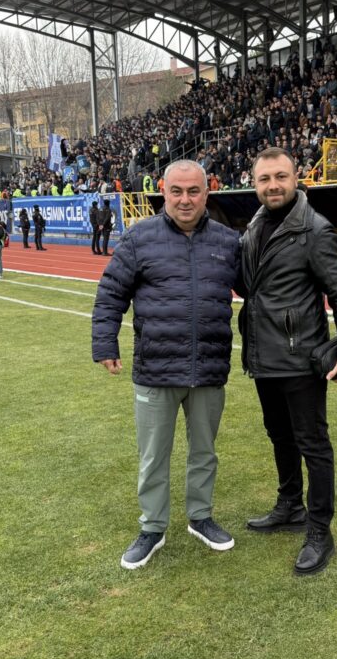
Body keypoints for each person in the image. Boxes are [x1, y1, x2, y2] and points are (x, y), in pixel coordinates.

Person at [92, 160, 240, 570]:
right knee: (153, 456)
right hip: (156, 370)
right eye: (176, 191)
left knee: (204, 452)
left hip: (208, 368)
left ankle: (200, 517)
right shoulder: (139, 238)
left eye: (193, 191)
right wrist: (105, 342)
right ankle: (152, 527)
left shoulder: (228, 241)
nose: (185, 199)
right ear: (163, 192)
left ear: (207, 192)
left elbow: (260, 291)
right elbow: (111, 294)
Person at [239, 148, 337, 577]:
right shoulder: (256, 224)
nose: (273, 185)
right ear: (254, 183)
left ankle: (320, 530)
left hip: (300, 357)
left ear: (296, 178)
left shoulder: (314, 229)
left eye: (280, 176)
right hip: (263, 355)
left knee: (313, 443)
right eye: (264, 179)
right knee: (279, 436)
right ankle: (290, 506)